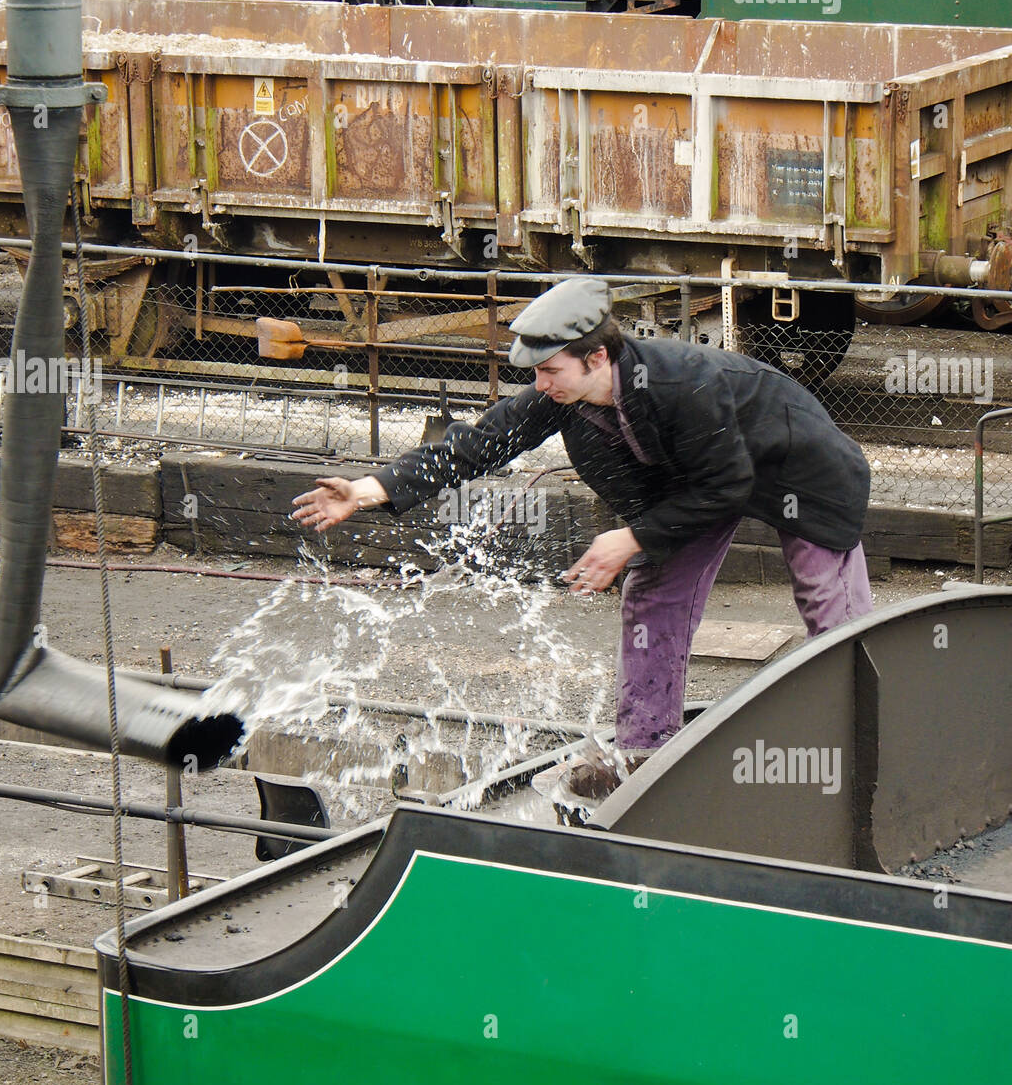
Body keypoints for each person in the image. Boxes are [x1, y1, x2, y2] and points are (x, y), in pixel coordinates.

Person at [292, 276, 873, 802]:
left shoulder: (682, 382)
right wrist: (369, 489)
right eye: (537, 373)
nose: (539, 384)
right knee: (651, 596)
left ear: (596, 357)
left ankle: (864, 747)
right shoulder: (562, 398)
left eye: (549, 371)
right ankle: (641, 750)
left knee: (830, 609)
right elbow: (476, 443)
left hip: (796, 472)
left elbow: (728, 486)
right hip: (695, 483)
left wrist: (631, 537)